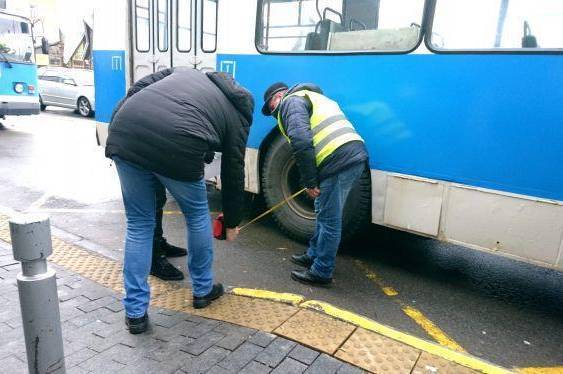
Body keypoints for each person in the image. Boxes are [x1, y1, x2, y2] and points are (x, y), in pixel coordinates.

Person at [106, 68, 254, 334]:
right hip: (178, 141)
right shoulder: (237, 112)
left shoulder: (185, 73)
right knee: (197, 215)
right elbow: (233, 168)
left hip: (124, 130)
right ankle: (202, 290)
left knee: (139, 224)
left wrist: (120, 123)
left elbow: (136, 89)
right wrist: (232, 222)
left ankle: (135, 313)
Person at [262, 82, 368, 287]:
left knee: (329, 219)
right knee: (323, 210)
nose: (273, 111)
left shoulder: (290, 102)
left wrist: (310, 181)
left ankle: (322, 271)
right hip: (348, 157)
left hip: (339, 160)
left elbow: (301, 141)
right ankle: (313, 253)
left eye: (271, 105)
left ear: (279, 96)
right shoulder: (313, 97)